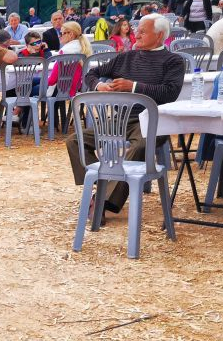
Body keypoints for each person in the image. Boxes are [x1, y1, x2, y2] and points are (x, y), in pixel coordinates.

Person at [66, 14, 184, 214]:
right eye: (137, 30)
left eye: (142, 31)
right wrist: (99, 85)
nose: (135, 34)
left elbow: (170, 92)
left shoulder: (173, 61)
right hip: (120, 120)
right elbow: (90, 74)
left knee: (141, 145)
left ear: (159, 35)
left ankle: (103, 201)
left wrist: (134, 86)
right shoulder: (126, 57)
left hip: (152, 121)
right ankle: (103, 183)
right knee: (74, 140)